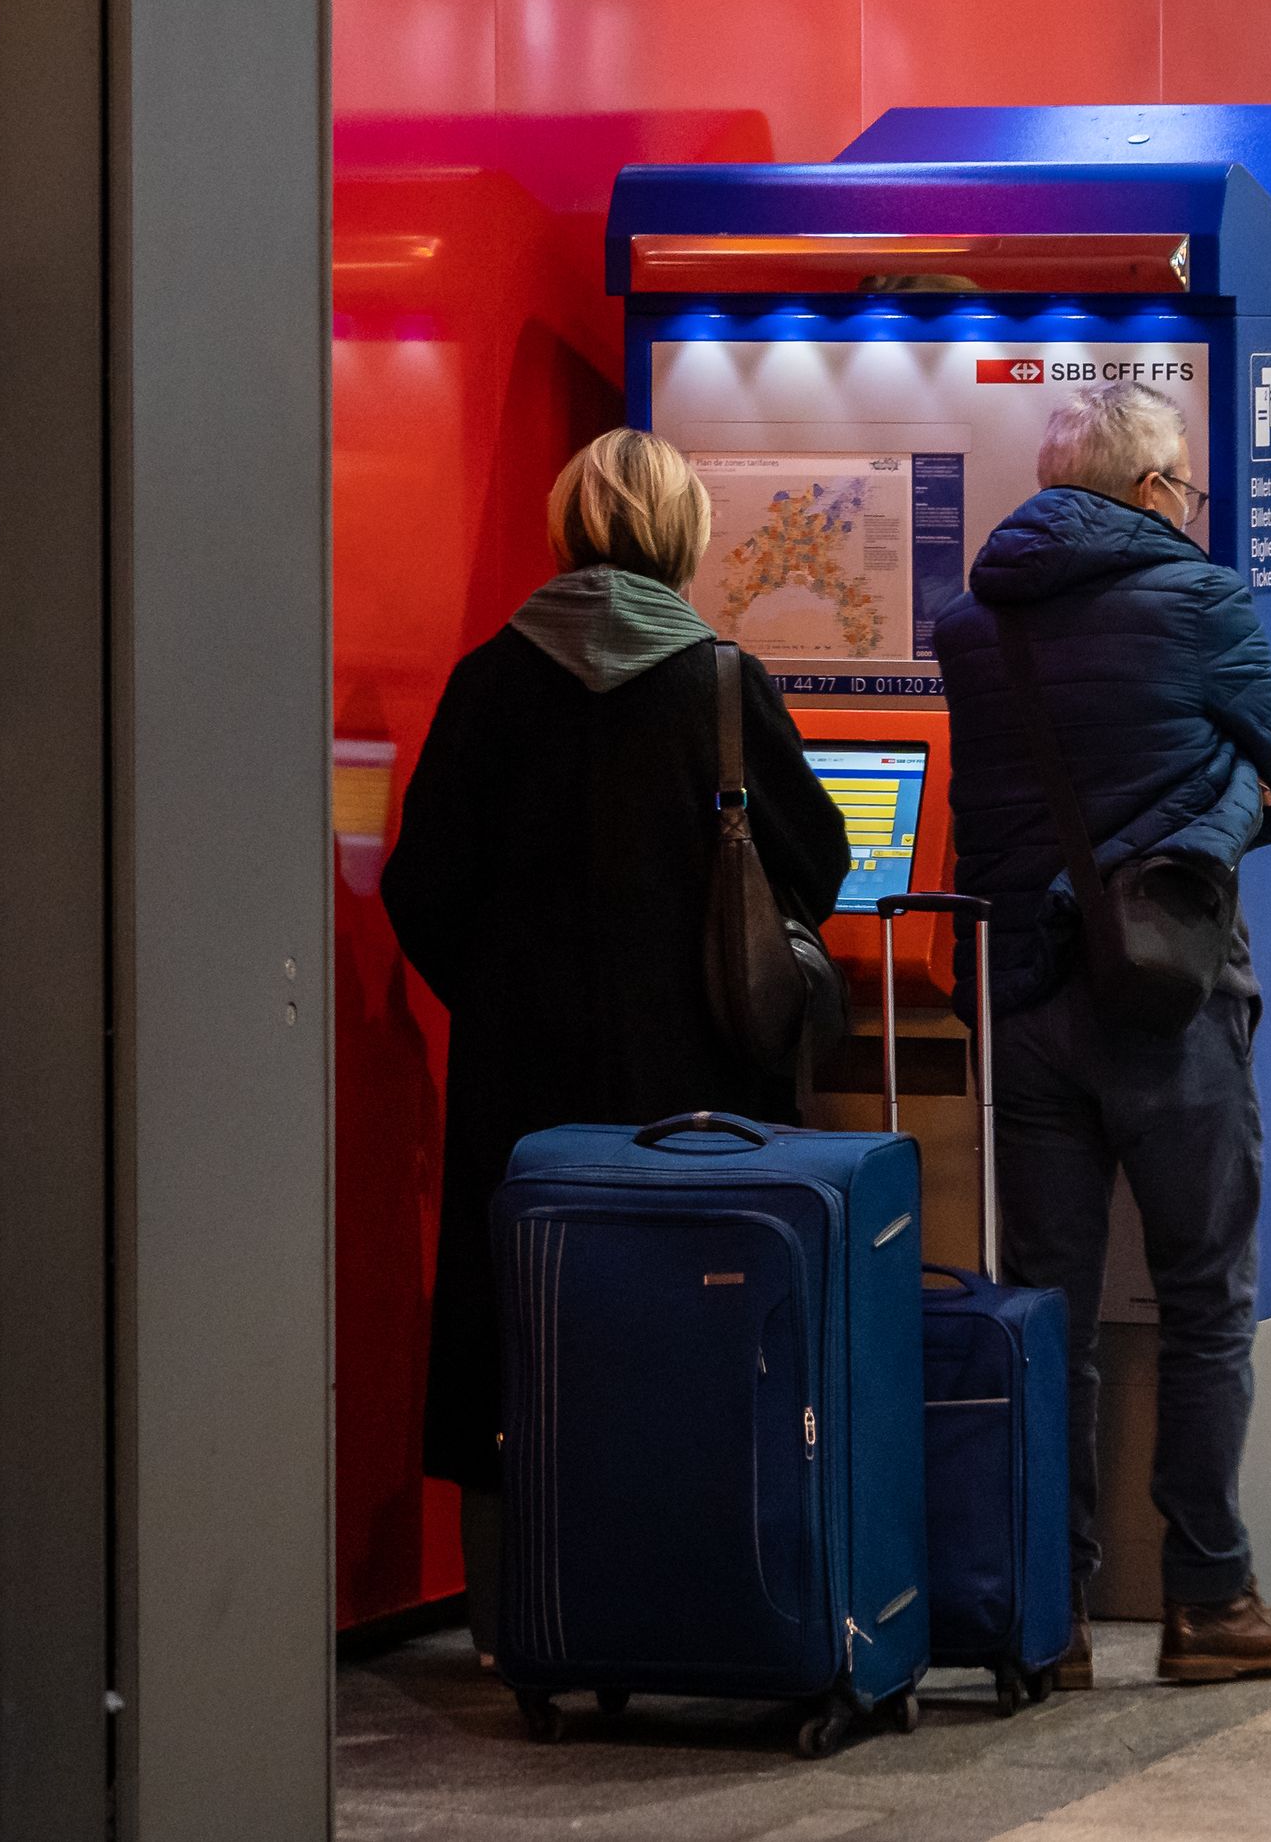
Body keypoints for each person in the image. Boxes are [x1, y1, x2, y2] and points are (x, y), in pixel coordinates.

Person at [381, 429, 847, 1664]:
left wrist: (499, 997)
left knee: (517, 1320)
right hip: (690, 1087)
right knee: (686, 1316)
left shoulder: (490, 679)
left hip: (518, 1091)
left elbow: (420, 882)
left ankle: (514, 1617)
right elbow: (818, 864)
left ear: (568, 528)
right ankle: (691, 1593)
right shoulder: (720, 680)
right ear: (684, 535)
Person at [931, 380, 1271, 1684]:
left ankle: (1044, 1612)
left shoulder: (971, 619)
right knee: (1204, 1298)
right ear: (1158, 487)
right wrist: (1208, 828)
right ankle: (1209, 1601)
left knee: (1047, 1305)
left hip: (1024, 995)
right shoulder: (1202, 601)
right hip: (1167, 998)